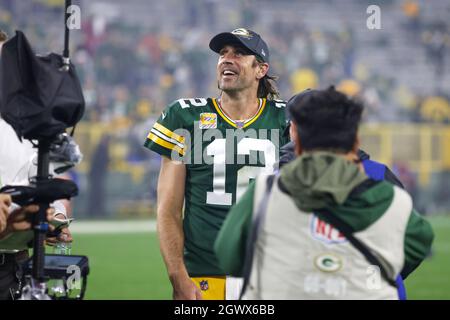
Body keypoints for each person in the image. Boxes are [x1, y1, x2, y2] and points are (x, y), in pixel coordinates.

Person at [215, 87, 434, 299]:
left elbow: (229, 255)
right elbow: (416, 242)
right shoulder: (381, 178)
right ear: (355, 139)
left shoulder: (269, 186)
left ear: (296, 138)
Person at [144, 28, 289, 300]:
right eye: (222, 53)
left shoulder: (286, 119)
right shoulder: (185, 116)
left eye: (239, 53)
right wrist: (178, 276)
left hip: (270, 273)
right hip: (204, 274)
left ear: (261, 69)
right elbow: (169, 209)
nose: (226, 59)